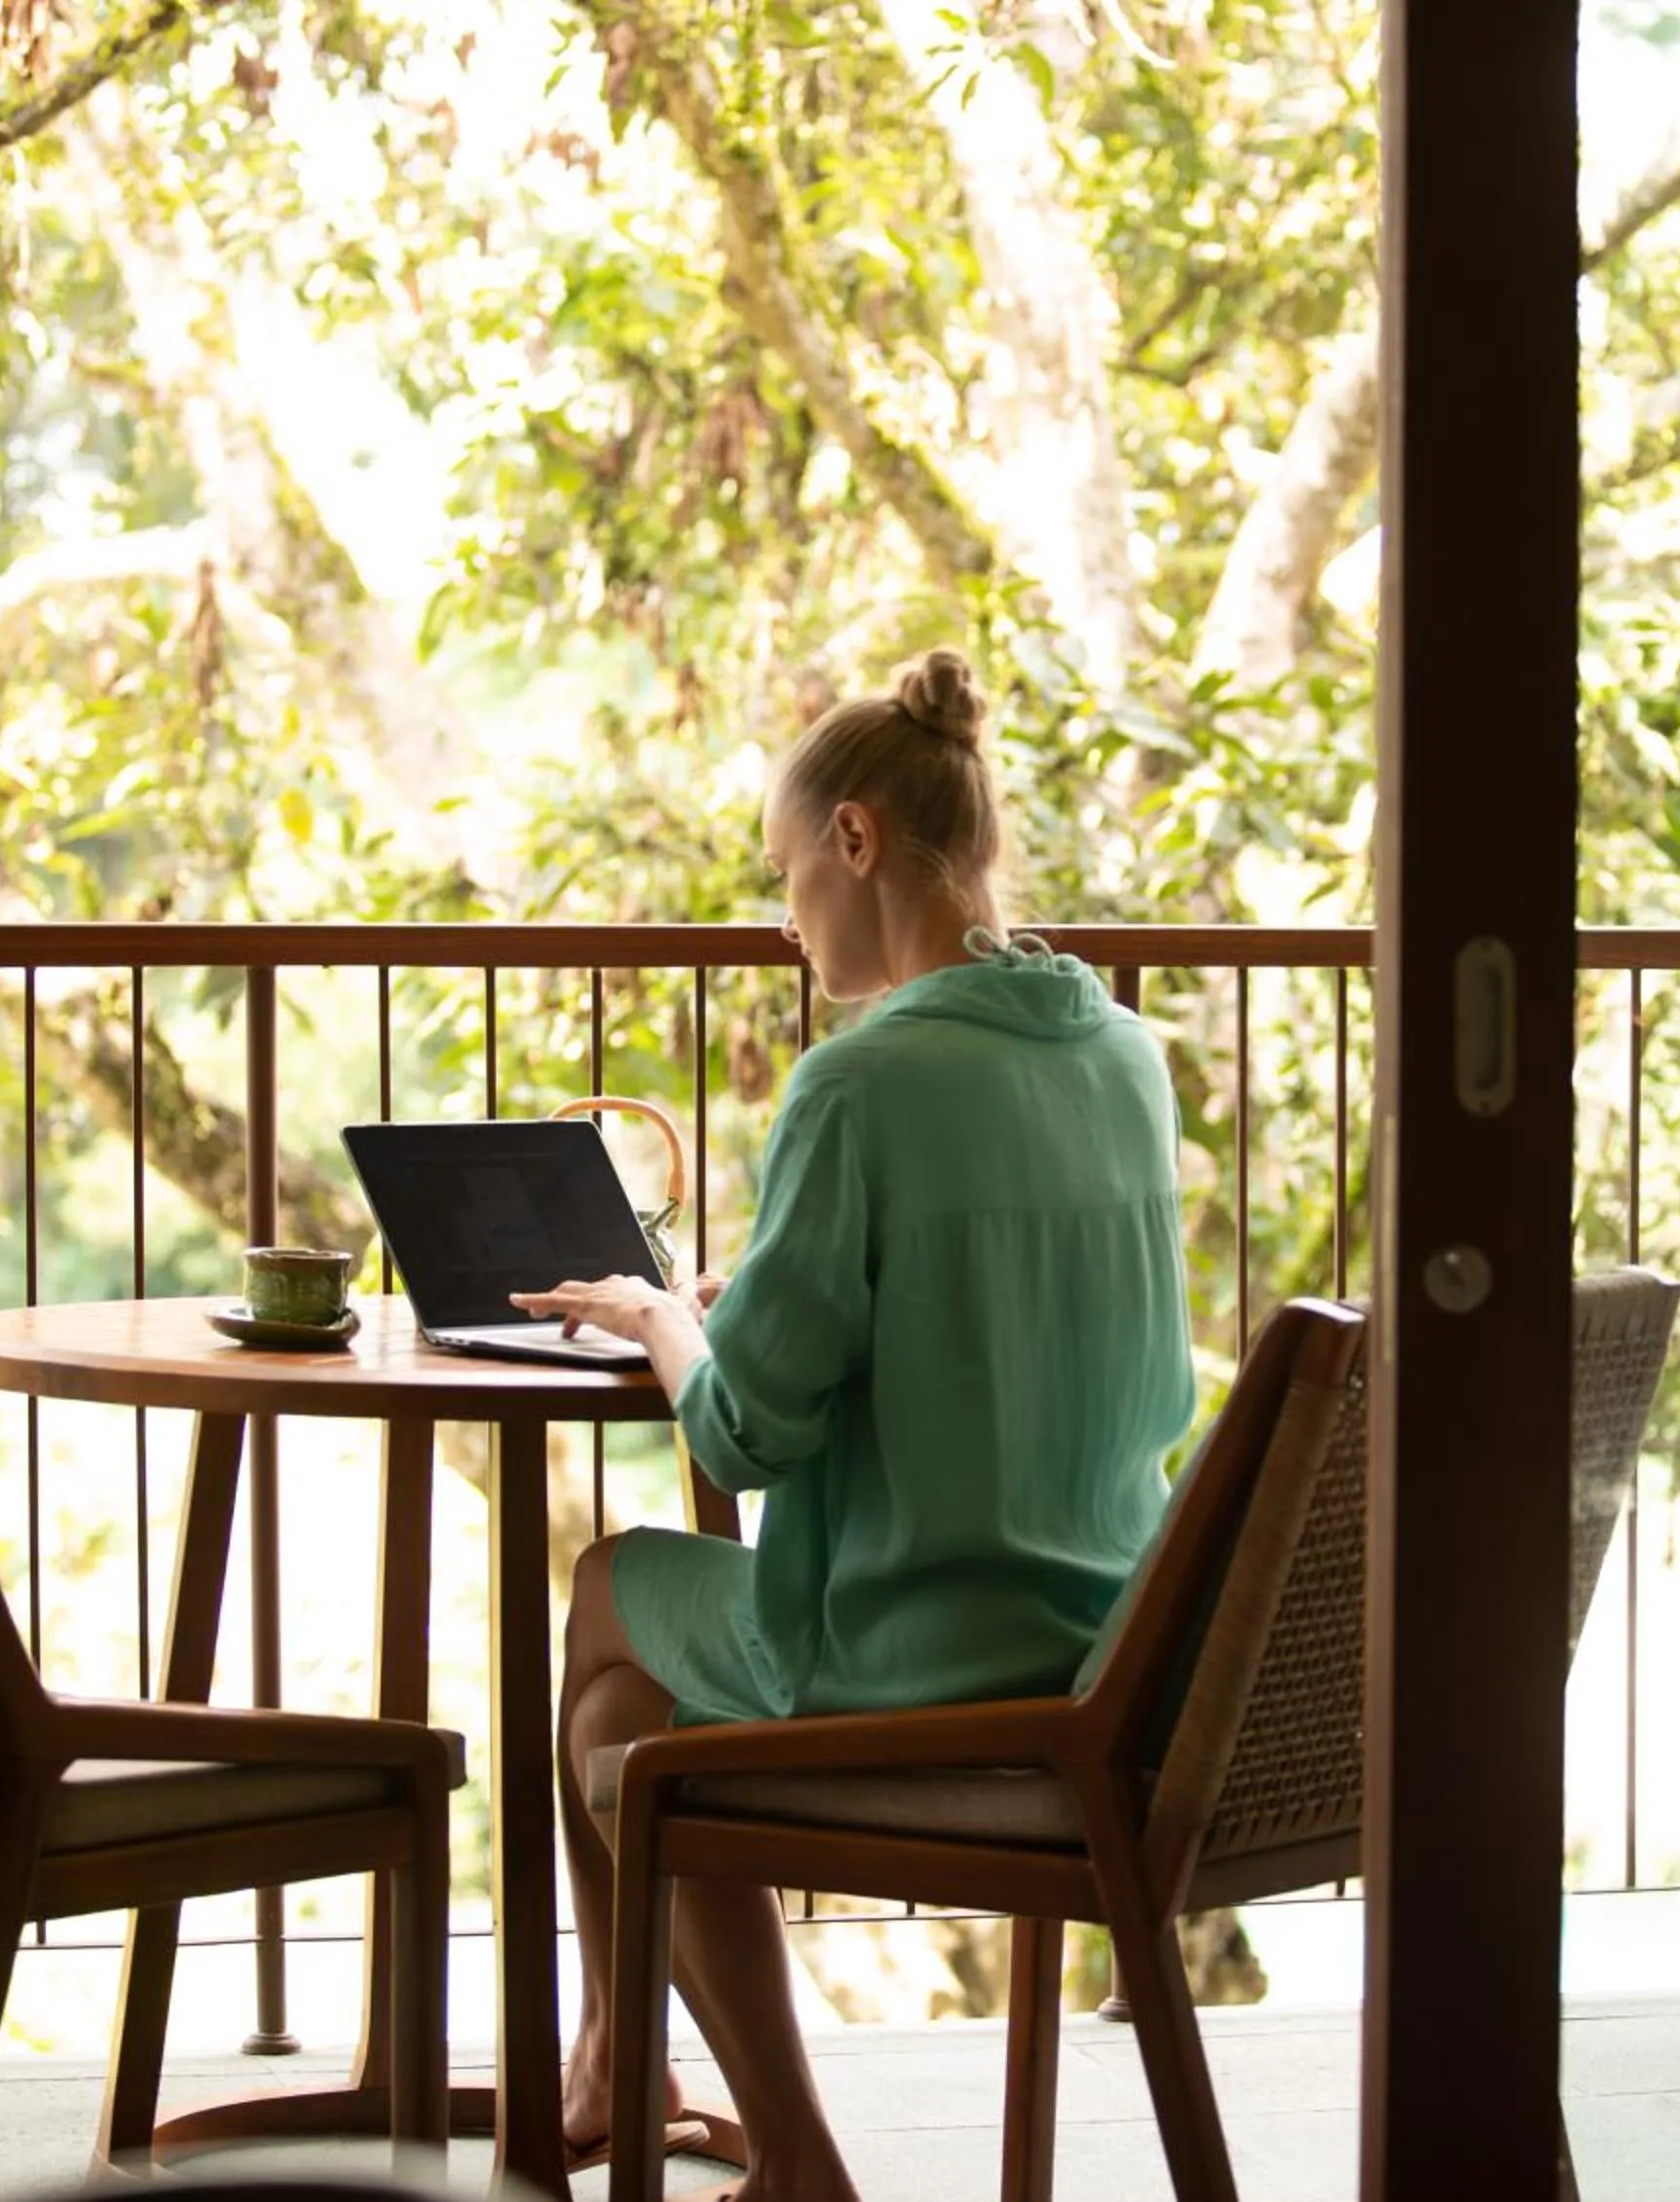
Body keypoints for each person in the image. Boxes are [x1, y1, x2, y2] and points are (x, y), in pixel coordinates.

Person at [512, 645, 1196, 2202]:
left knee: (605, 1599)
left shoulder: (862, 1083)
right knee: (625, 1735)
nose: (783, 915)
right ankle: (662, 2076)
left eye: (784, 872)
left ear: (858, 842)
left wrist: (665, 1314)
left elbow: (746, 1431)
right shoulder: (1123, 1057)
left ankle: (678, 2084)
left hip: (906, 1645)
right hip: (1105, 1636)